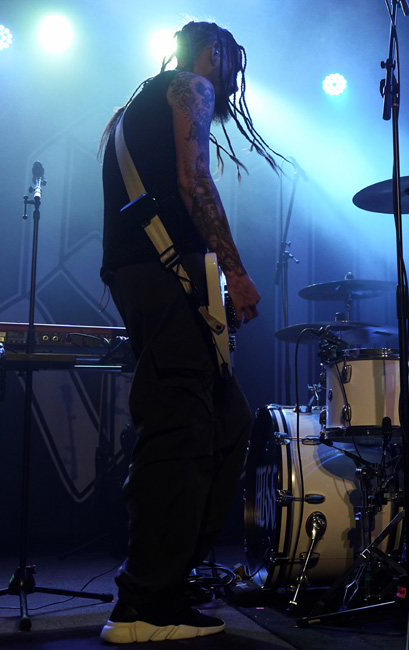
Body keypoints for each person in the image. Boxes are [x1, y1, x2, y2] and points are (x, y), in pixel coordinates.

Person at [98, 21, 282, 644]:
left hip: (153, 274)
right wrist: (236, 272)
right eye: (231, 63)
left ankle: (170, 584)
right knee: (178, 428)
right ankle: (143, 605)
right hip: (161, 275)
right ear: (214, 53)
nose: (232, 79)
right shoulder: (189, 88)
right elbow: (194, 182)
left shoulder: (133, 108)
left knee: (226, 422)